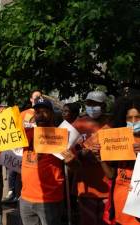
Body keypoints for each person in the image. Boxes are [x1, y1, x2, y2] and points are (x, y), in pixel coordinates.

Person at [20, 97, 77, 225]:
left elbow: (77, 168)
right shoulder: (26, 134)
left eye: (44, 111)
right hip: (25, 199)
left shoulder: (61, 136)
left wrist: (71, 161)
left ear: (51, 113)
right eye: (37, 112)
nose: (40, 115)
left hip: (50, 199)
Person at [91, 96, 140, 225]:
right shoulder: (120, 140)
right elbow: (112, 175)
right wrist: (101, 158)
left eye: (138, 117)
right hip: (119, 213)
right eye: (129, 118)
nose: (134, 121)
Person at [72, 90, 111, 225]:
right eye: (89, 104)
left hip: (109, 188)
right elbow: (67, 149)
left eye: (96, 104)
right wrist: (80, 154)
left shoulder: (112, 124)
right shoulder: (78, 124)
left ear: (104, 106)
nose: (92, 107)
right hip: (85, 188)